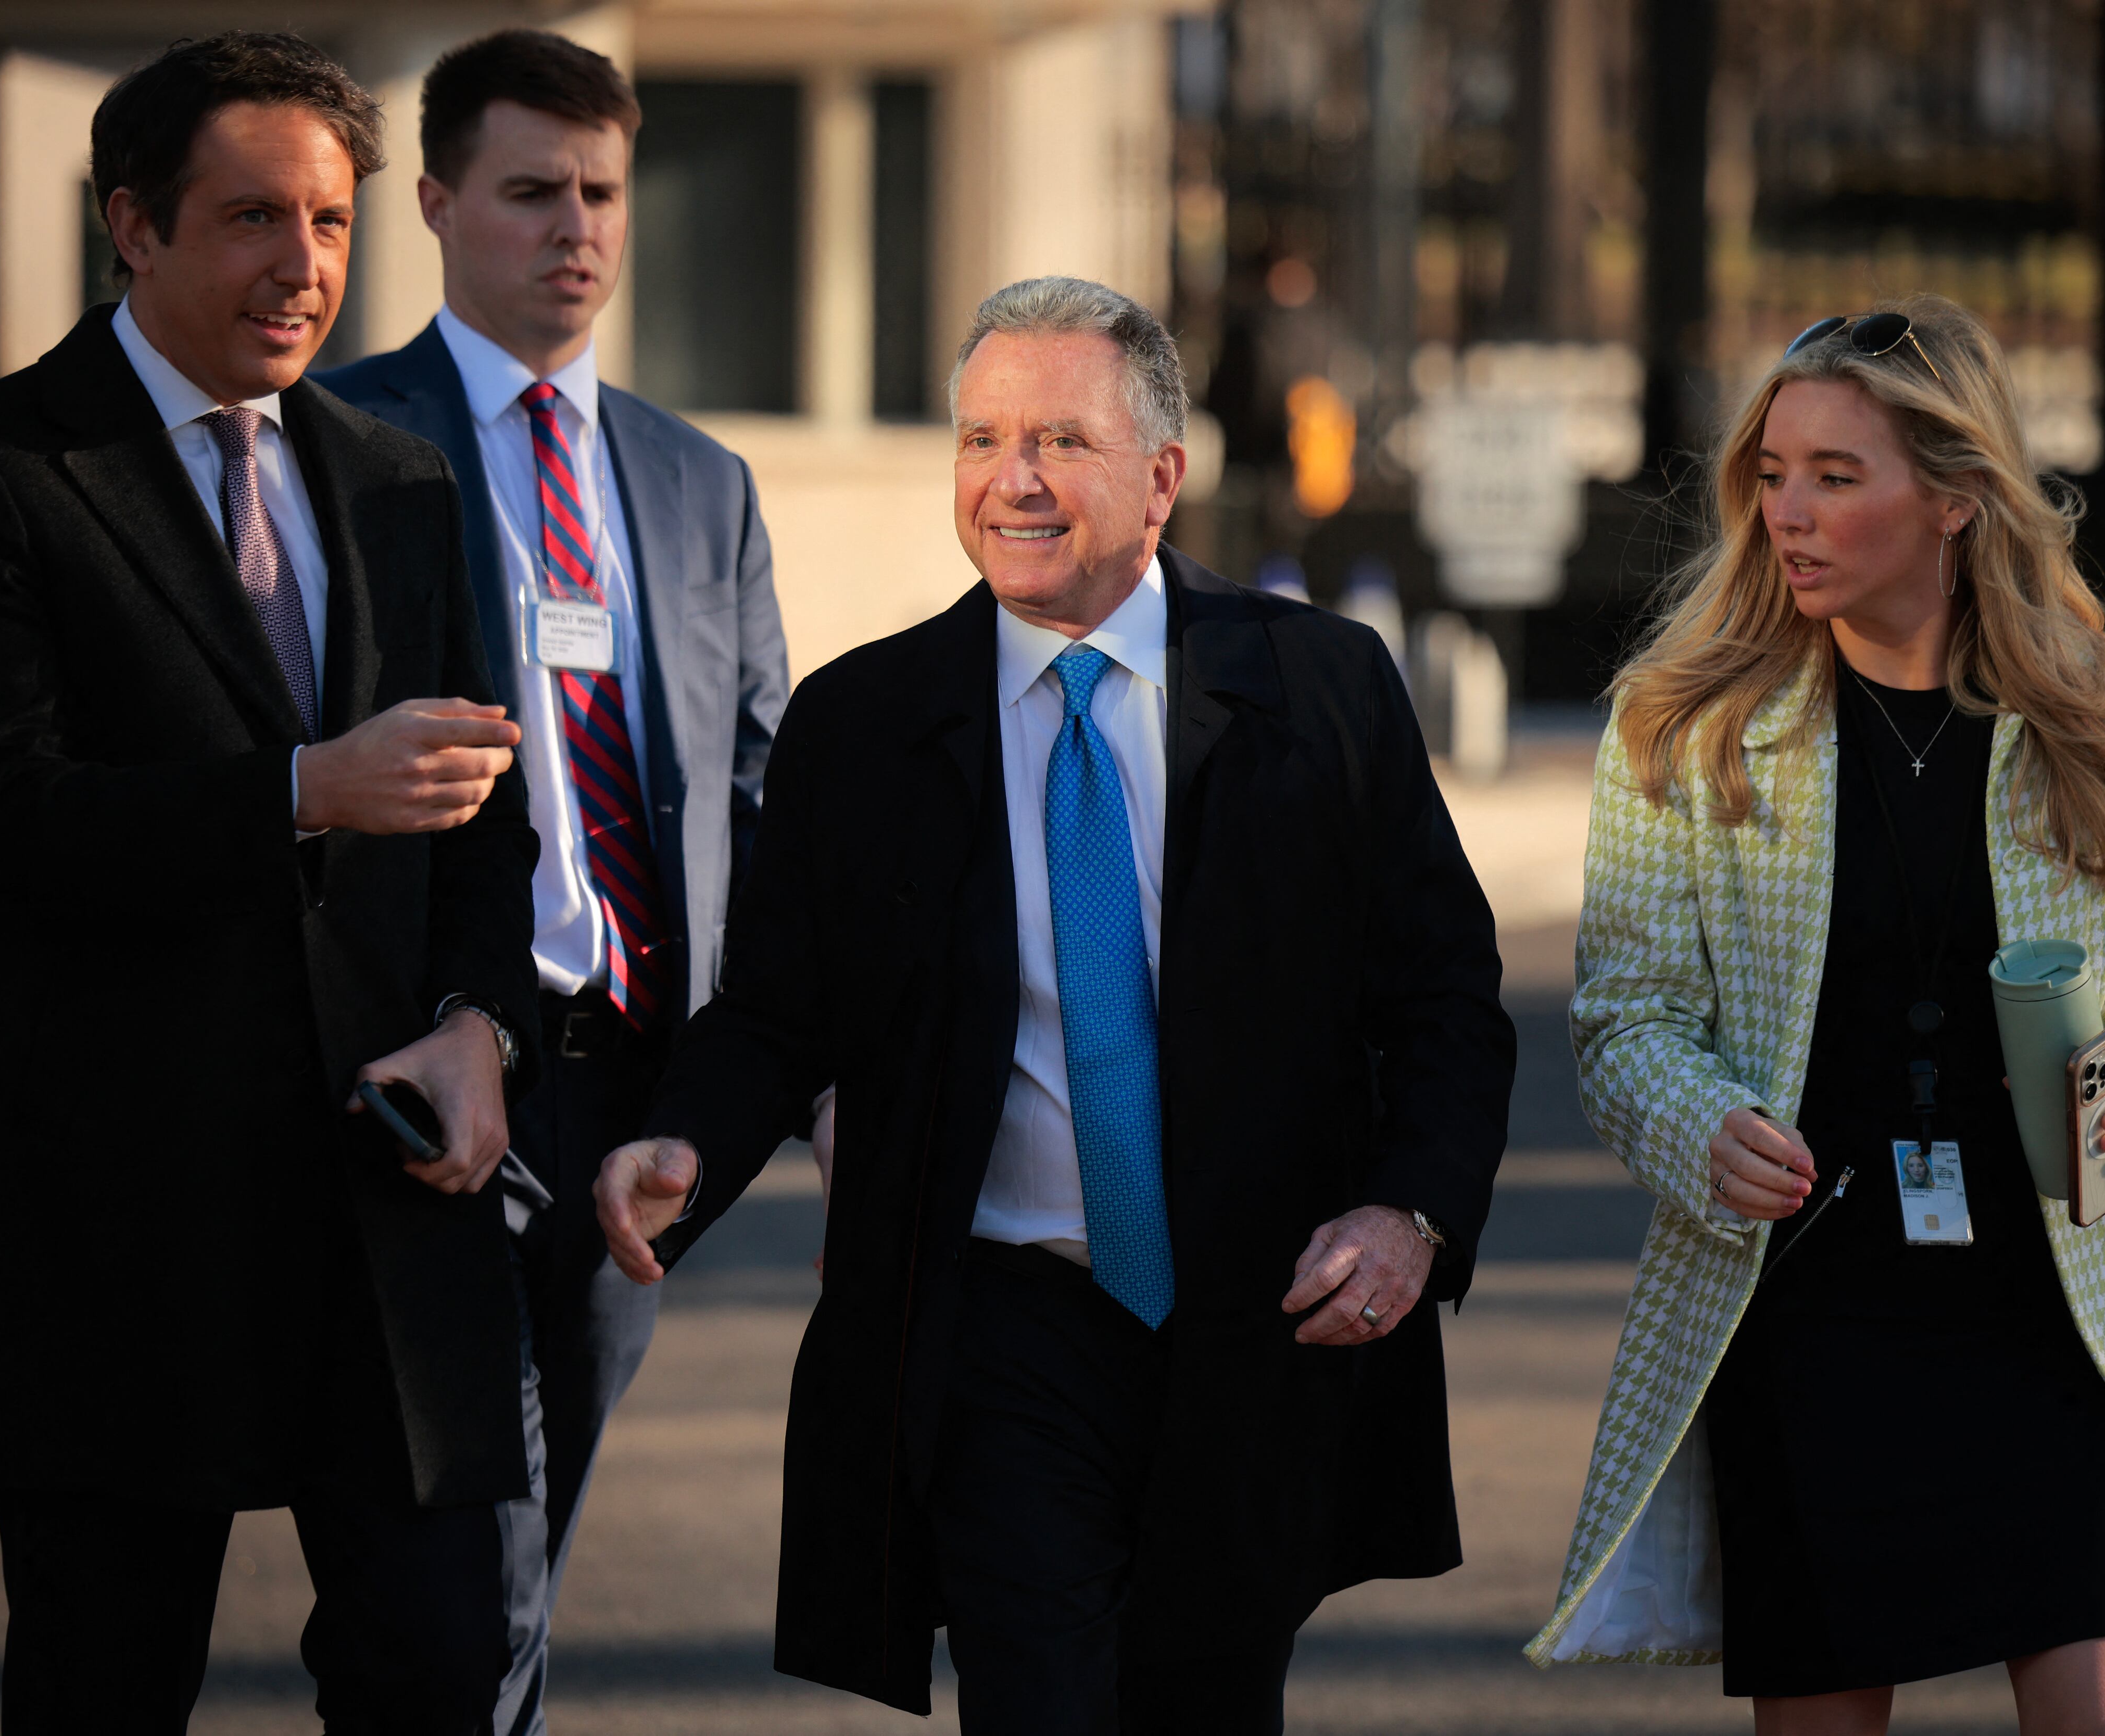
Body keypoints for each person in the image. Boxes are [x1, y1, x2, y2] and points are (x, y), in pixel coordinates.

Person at [595, 277, 1515, 1730]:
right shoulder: (867, 725)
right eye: (980, 439)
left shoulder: (1323, 689)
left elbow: (1450, 999)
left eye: (1057, 442)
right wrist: (688, 1149)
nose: (1009, 481)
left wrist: (1411, 1213)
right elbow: (779, 1012)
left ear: (1164, 477)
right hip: (1003, 1326)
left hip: (1253, 1326)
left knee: (1207, 1708)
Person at [0, 33, 541, 1732]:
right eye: (251, 217)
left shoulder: (399, 478)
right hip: (115, 1221)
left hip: (387, 1218)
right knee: (104, 1687)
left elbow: (483, 821)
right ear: (133, 227)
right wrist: (308, 791)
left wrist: (478, 1025)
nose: (302, 266)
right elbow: (3, 822)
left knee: (448, 1673)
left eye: (326, 220)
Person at [1528, 295, 2105, 1735]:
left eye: (1840, 477)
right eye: (1774, 476)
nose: (1790, 512)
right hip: (1817, 1306)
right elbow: (1624, 1019)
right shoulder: (1685, 721)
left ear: (1957, 497)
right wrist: (1704, 1125)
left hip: (2052, 1304)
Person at [318, 32, 789, 1733]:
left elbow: (760, 789)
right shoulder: (328, 437)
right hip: (432, 1094)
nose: (574, 228)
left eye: (600, 192)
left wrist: (789, 1071)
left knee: (526, 1570)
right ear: (435, 206)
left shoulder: (695, 481)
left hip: (630, 1102)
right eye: (530, 193)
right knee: (456, 1592)